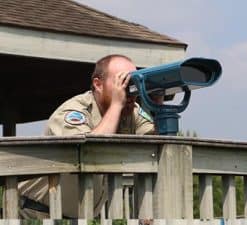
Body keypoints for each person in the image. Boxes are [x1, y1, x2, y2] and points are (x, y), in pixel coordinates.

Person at [18, 54, 160, 218]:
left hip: (80, 217)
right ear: (98, 84)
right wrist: (116, 104)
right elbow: (90, 153)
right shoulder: (74, 111)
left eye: (132, 84)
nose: (128, 92)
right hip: (36, 214)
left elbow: (159, 145)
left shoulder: (131, 112)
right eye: (121, 83)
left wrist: (158, 107)